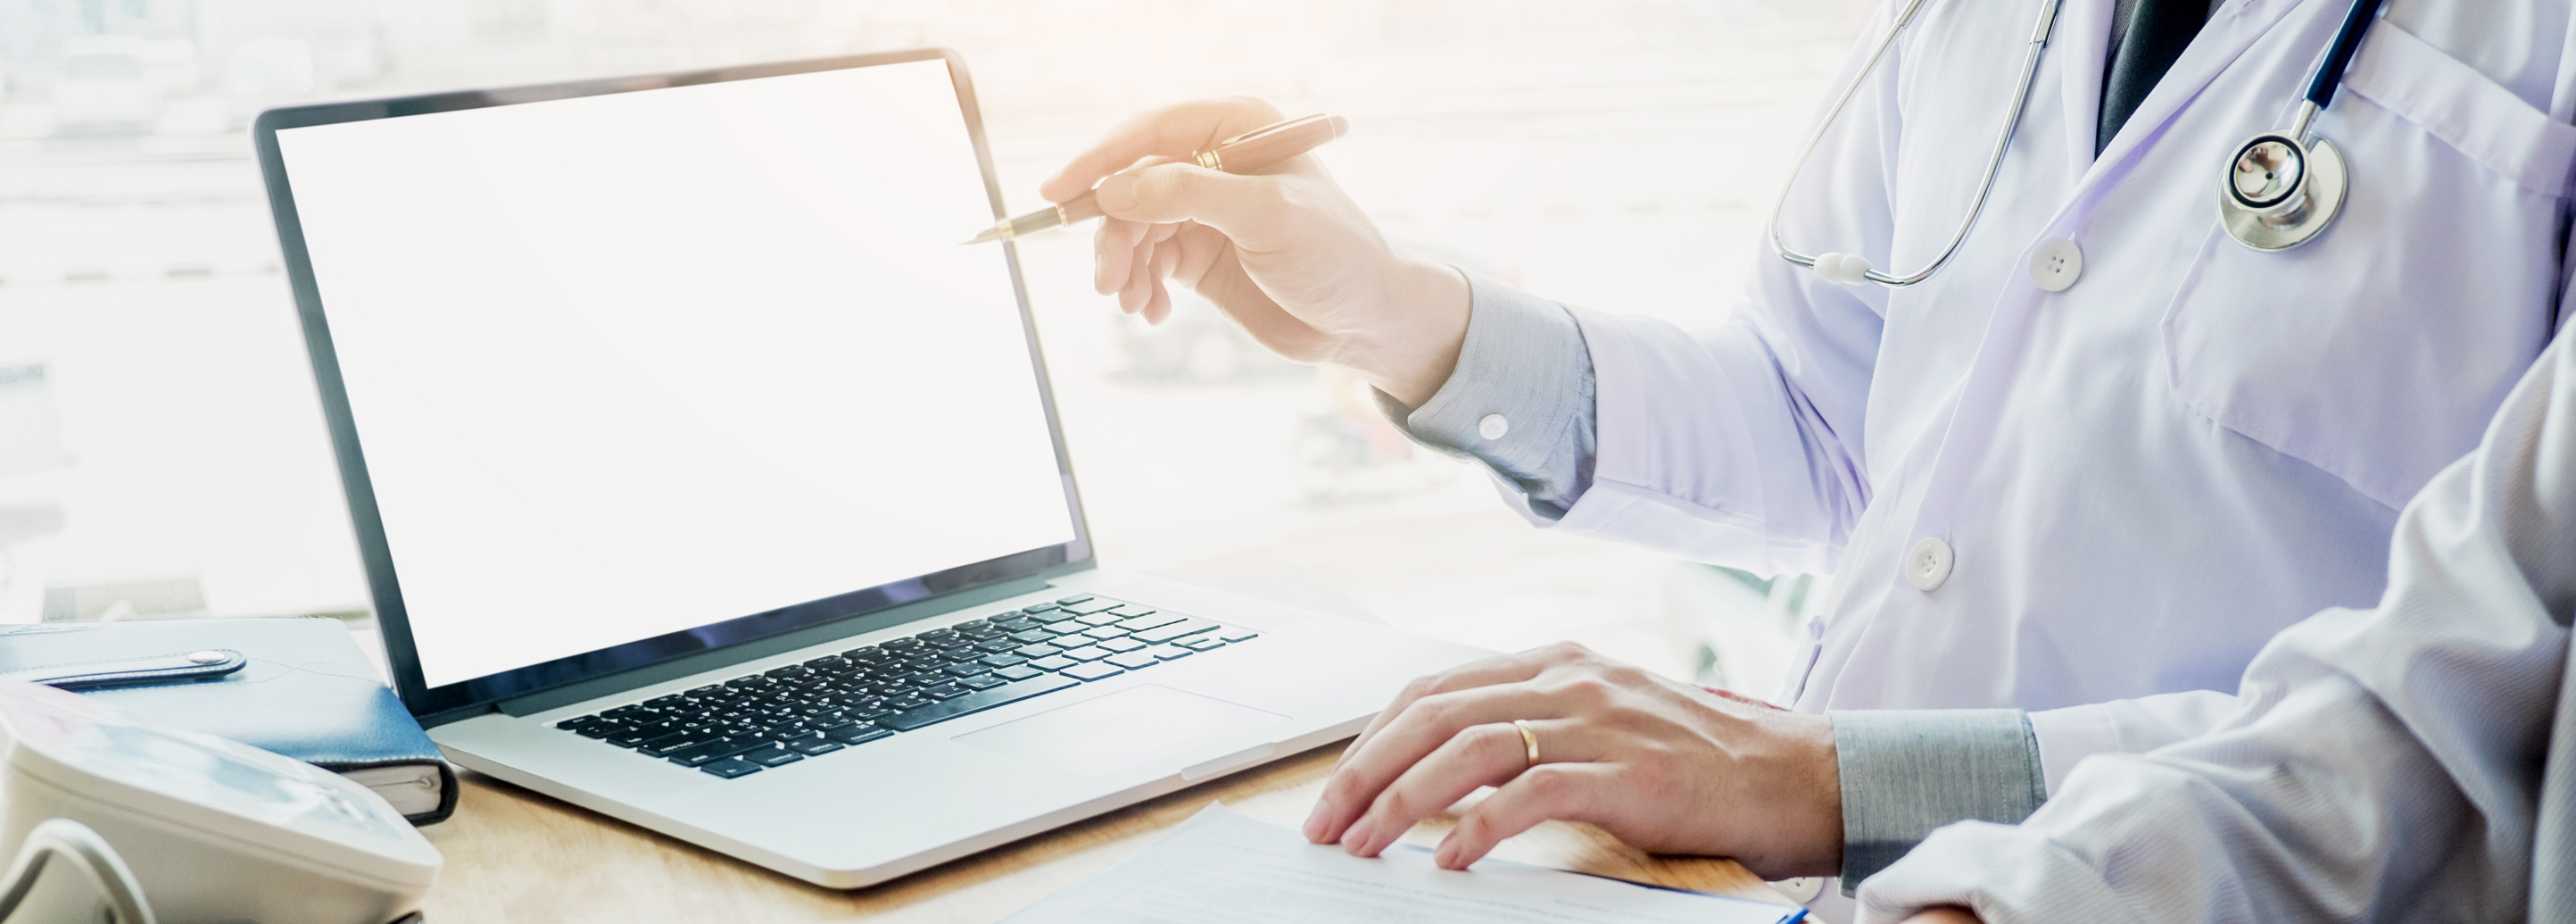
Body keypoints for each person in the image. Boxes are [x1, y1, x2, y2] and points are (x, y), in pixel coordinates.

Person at [1038, 0, 2576, 907]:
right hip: (1821, 886)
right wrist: (1402, 318)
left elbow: (2485, 727)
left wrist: (1836, 776)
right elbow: (1824, 422)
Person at [1860, 286, 2576, 924]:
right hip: (1965, 858)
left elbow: (2442, 771)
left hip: (2110, 826)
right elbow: (2429, 720)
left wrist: (1857, 781)